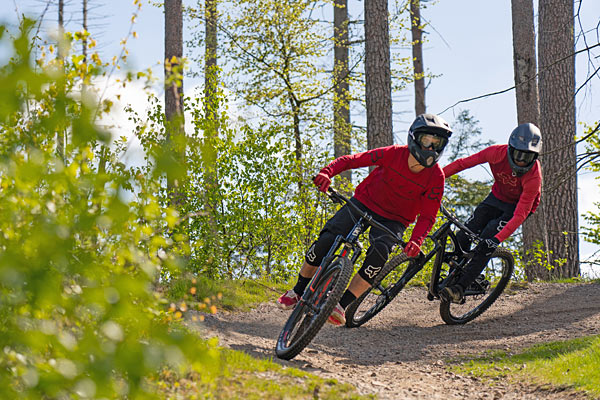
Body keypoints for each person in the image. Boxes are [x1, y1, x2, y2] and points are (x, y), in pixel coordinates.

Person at [276, 113, 453, 325]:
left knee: (379, 257)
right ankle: (297, 291)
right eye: (427, 141)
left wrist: (417, 240)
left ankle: (341, 304)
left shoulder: (436, 177)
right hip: (363, 203)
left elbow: (428, 215)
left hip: (393, 221)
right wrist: (327, 172)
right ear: (414, 138)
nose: (431, 148)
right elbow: (353, 160)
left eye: (437, 143)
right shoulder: (394, 153)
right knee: (325, 240)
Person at [440, 123, 542, 303]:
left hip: (517, 207)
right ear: (510, 149)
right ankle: (452, 278)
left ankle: (459, 288)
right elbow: (463, 164)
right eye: (518, 155)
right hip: (496, 197)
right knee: (464, 234)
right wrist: (436, 179)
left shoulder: (534, 176)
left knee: (487, 240)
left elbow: (520, 215)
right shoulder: (496, 153)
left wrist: (496, 240)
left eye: (528, 157)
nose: (521, 161)